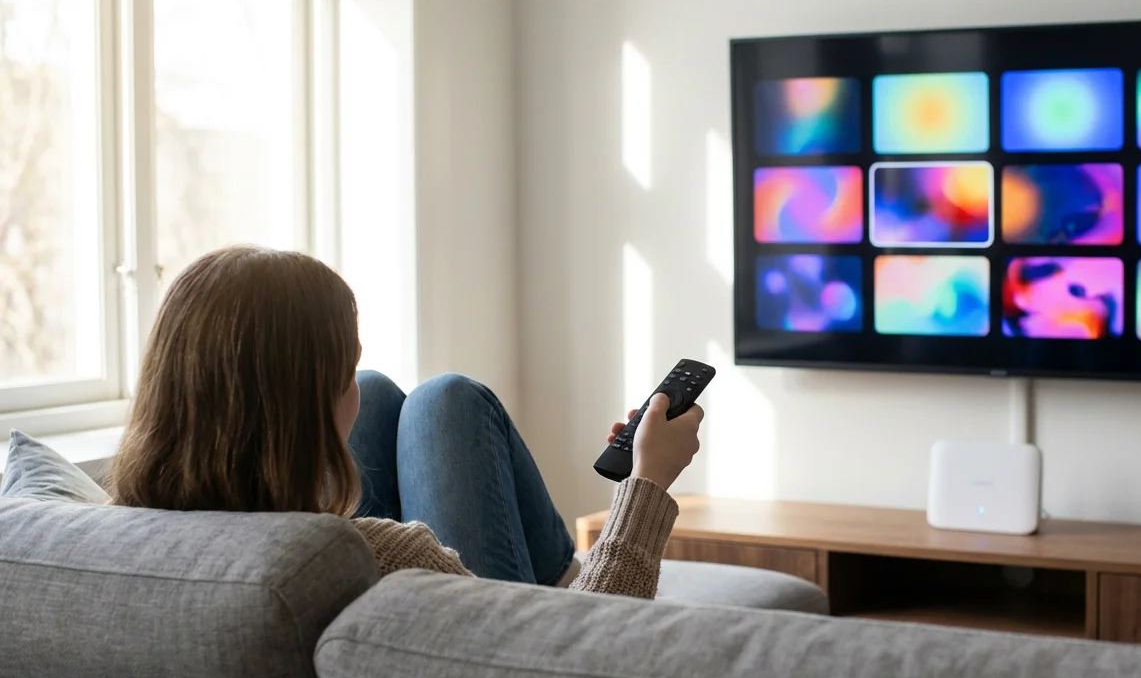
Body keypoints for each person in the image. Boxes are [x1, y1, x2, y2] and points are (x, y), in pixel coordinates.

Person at [106, 245, 702, 599]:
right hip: (523, 638)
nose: (353, 392)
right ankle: (565, 572)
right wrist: (645, 481)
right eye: (346, 371)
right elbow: (573, 659)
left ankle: (561, 569)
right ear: (302, 410)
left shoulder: (101, 538)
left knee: (397, 396)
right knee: (450, 400)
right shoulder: (374, 556)